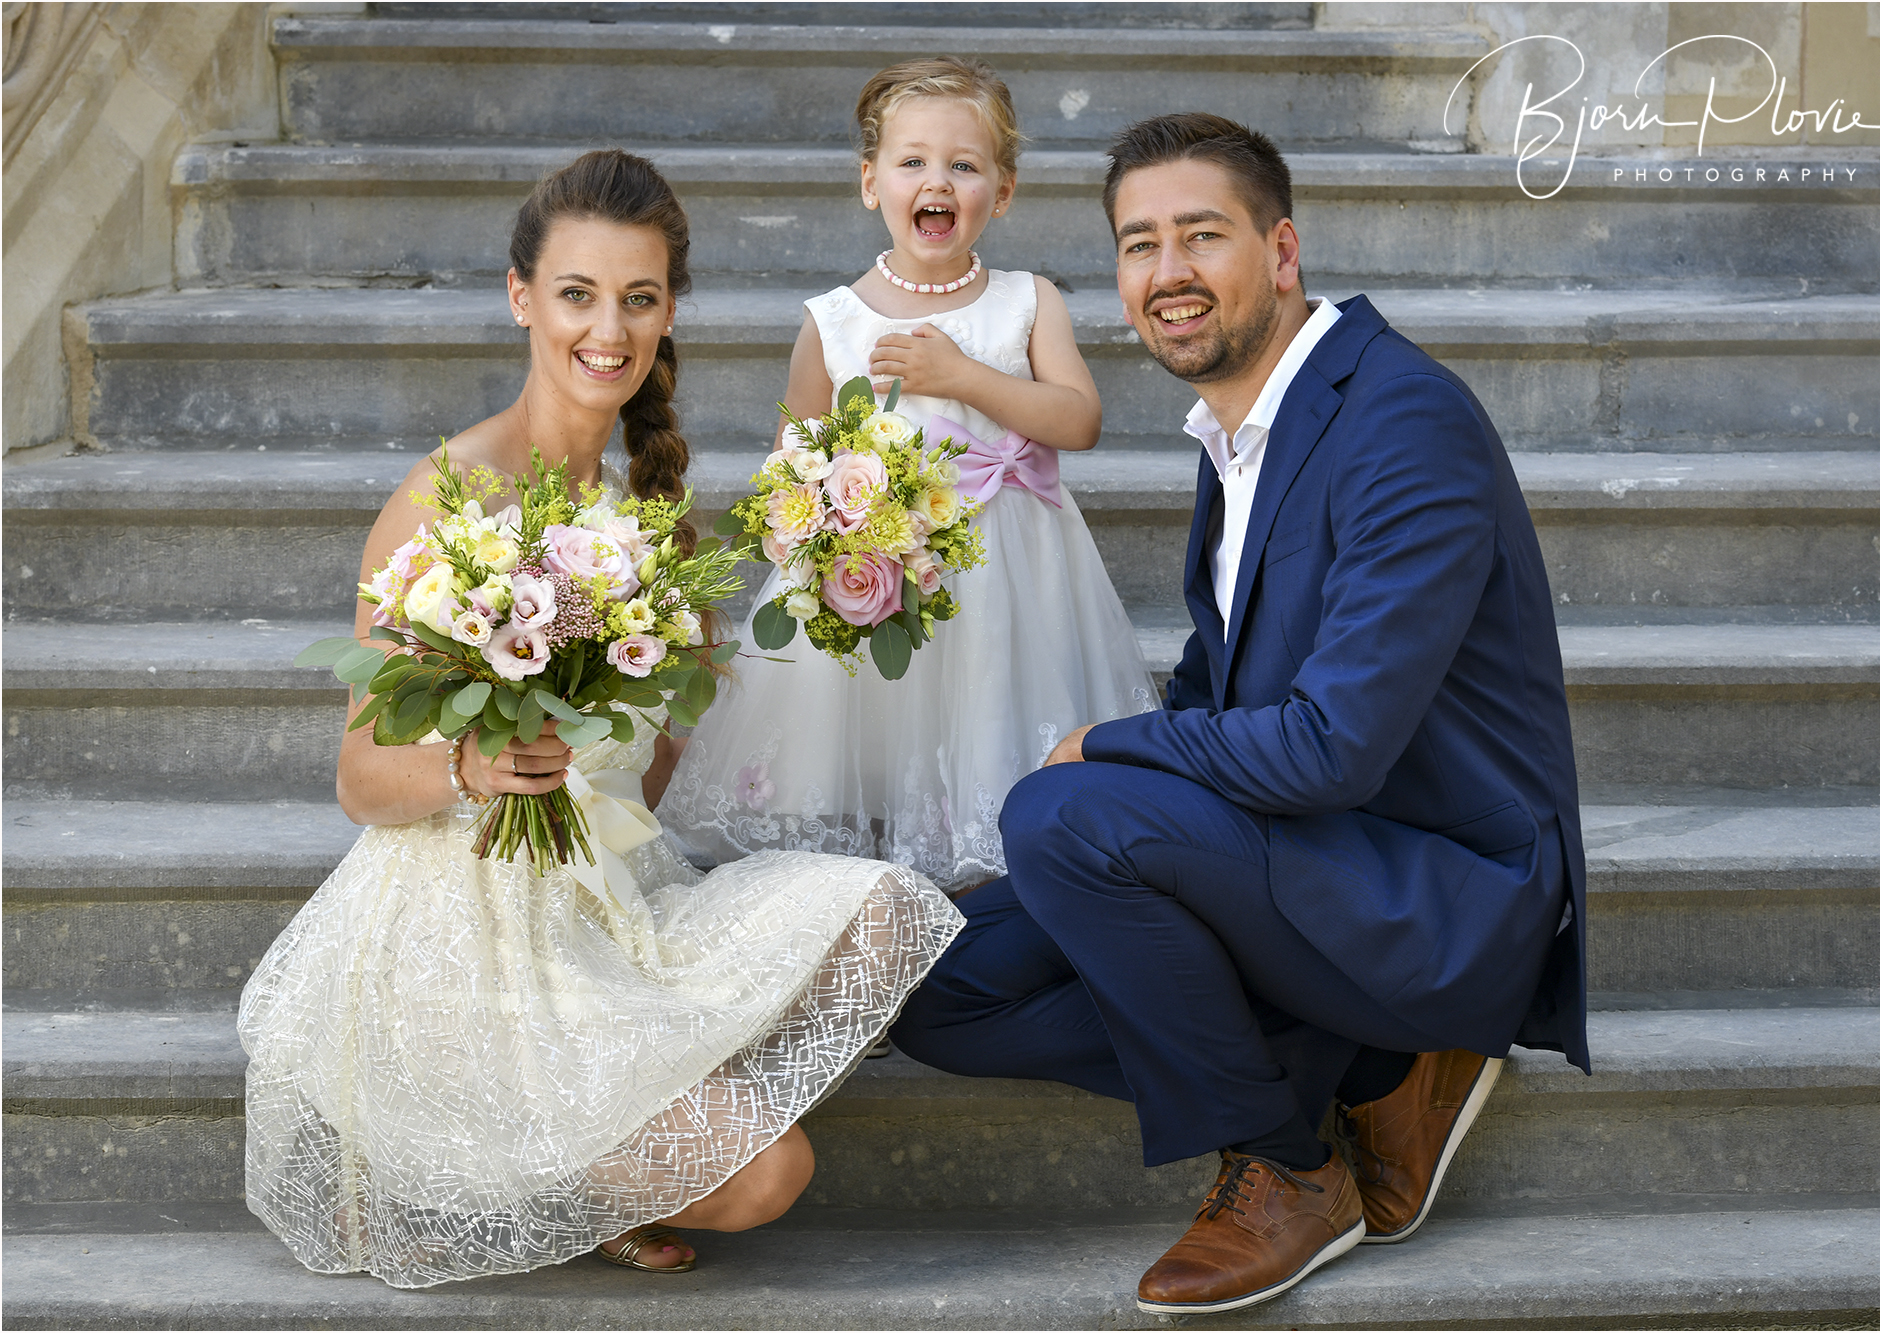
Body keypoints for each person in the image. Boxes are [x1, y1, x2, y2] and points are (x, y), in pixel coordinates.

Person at [890, 113, 1589, 1317]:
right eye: (1138, 244)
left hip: (1435, 887)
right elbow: (1219, 686)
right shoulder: (1242, 427)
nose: (1165, 272)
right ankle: (1371, 1064)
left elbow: (1331, 746)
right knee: (934, 984)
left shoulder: (1399, 419)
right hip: (1302, 860)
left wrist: (1106, 751)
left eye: (1200, 235)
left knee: (1062, 816)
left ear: (1281, 250)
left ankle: (1284, 1162)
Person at [237, 149, 961, 1290]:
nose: (608, 330)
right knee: (766, 1176)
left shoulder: (650, 519)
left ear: (668, 310)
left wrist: (815, 614)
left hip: (615, 908)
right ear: (521, 296)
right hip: (470, 928)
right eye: (577, 294)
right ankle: (511, 1161)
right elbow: (361, 777)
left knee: (882, 913)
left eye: (638, 297)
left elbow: (658, 777)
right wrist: (474, 764)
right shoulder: (445, 498)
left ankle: (605, 1121)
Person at [659, 57, 1159, 894]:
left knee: (986, 718)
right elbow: (793, 460)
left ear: (1002, 192)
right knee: (874, 729)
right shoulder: (836, 320)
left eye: (964, 165)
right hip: (882, 572)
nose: (938, 181)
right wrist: (823, 520)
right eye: (913, 161)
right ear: (871, 182)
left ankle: (992, 881)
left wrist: (964, 377)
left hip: (1007, 572)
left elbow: (1079, 419)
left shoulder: (1028, 301)